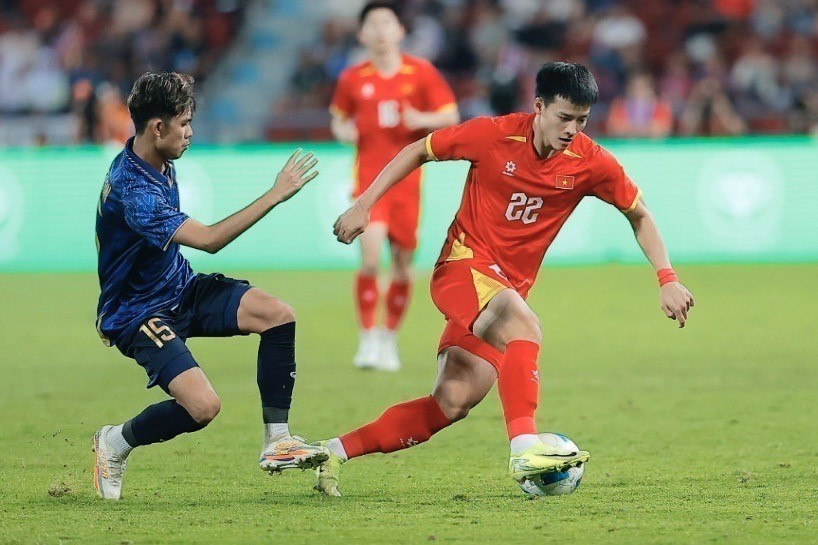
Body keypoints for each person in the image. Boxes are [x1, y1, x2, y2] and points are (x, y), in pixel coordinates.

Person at [321, 62, 695, 496]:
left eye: (581, 120)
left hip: (502, 291)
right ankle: (524, 449)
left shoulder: (590, 161)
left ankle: (332, 451)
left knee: (451, 402)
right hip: (461, 270)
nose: (572, 128)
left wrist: (667, 278)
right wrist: (365, 204)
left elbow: (639, 214)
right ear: (539, 106)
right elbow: (419, 149)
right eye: (564, 117)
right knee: (524, 325)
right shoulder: (493, 134)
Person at [93, 72, 327, 500]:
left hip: (179, 287)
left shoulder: (157, 158)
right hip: (138, 312)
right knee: (203, 408)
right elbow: (210, 240)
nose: (190, 132)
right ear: (157, 127)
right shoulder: (133, 191)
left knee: (278, 315)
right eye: (183, 123)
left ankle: (278, 440)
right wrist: (275, 194)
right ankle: (115, 441)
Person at [330, 1, 459, 371]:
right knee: (370, 260)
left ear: (400, 31)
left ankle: (389, 339)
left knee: (403, 266)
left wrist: (421, 117)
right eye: (373, 24)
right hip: (368, 183)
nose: (381, 30)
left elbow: (451, 115)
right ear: (362, 34)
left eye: (388, 23)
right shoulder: (353, 78)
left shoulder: (420, 73)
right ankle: (368, 338)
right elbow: (338, 118)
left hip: (408, 183)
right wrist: (345, 131)